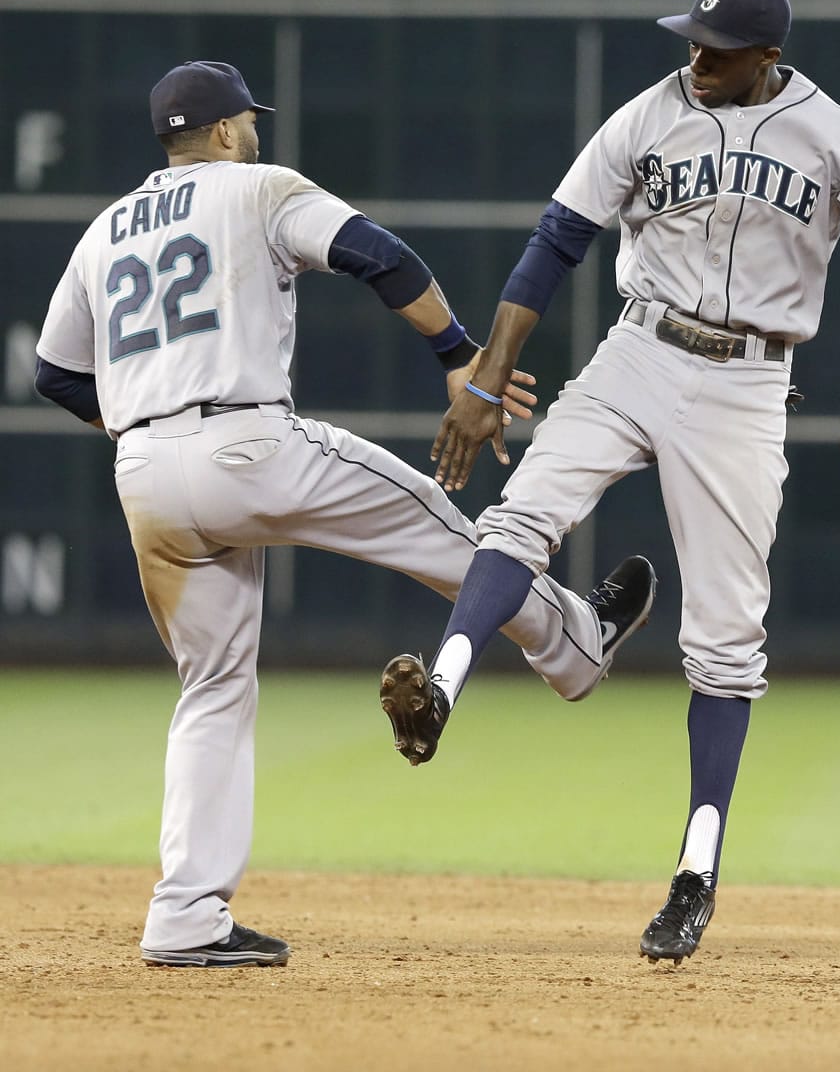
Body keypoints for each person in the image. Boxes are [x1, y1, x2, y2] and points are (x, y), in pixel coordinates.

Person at [33, 60, 657, 968]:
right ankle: (578, 642)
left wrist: (146, 429)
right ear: (216, 132)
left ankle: (185, 916)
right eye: (245, 120)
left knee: (211, 690)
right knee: (446, 535)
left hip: (145, 474)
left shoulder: (103, 231)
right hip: (247, 443)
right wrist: (456, 353)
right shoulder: (258, 188)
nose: (253, 131)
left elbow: (54, 373)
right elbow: (380, 256)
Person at [380, 0, 840, 965]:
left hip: (748, 387)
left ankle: (694, 872)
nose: (696, 56)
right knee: (519, 517)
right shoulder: (647, 116)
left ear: (767, 56)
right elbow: (553, 244)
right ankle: (443, 693)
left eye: (716, 48)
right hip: (638, 350)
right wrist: (484, 378)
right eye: (691, 38)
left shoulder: (837, 137)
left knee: (724, 640)